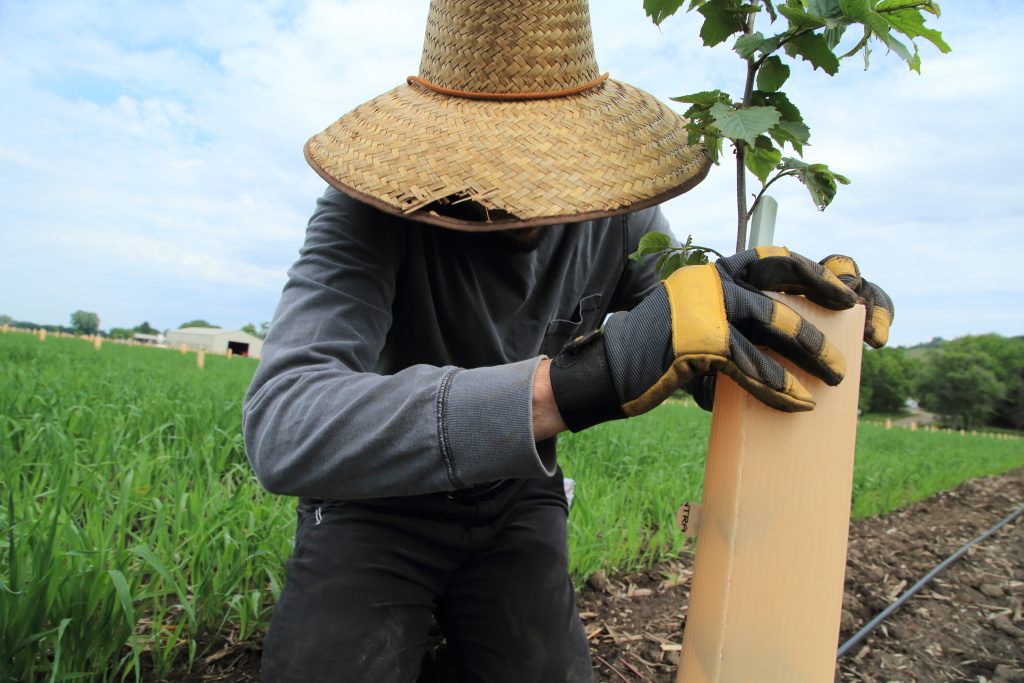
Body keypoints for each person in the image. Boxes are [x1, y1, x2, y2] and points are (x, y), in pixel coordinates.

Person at [242, 1, 894, 681]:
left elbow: (683, 334)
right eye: (498, 156)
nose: (531, 197)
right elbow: (284, 424)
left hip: (515, 496)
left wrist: (785, 315)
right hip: (379, 499)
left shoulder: (613, 212)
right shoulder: (371, 210)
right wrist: (575, 382)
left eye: (545, 153)